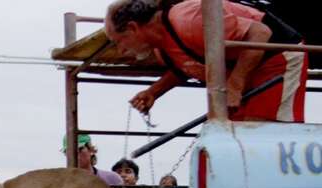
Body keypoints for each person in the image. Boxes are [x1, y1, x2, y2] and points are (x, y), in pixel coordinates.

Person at [105, 0, 307, 122]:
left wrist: (236, 84)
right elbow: (184, 67)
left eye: (118, 42)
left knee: (260, 130)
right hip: (244, 71)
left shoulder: (187, 19)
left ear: (132, 27)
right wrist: (153, 92)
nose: (121, 50)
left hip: (277, 57)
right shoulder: (162, 49)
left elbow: (260, 33)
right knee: (228, 133)